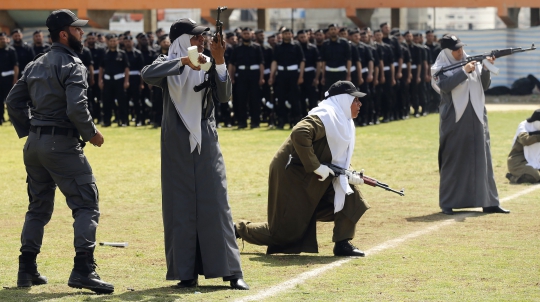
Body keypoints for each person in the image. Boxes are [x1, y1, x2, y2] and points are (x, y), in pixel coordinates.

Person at [5, 9, 113, 293]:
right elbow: (77, 107)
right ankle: (83, 270)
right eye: (77, 29)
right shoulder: (73, 64)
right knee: (86, 204)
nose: (82, 33)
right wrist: (92, 134)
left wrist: (33, 130)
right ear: (64, 33)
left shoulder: (34, 63)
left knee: (37, 209)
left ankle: (26, 269)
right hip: (61, 145)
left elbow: (12, 102)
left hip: (34, 146)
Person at [141, 18, 249, 290]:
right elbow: (147, 74)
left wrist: (220, 60)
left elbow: (224, 97)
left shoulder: (209, 63)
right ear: (180, 41)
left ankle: (232, 272)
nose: (202, 41)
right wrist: (182, 64)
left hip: (206, 140)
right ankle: (185, 272)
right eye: (196, 37)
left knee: (216, 203)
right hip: (175, 142)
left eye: (203, 37)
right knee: (179, 205)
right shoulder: (167, 63)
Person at [236, 81, 370, 257]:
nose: (359, 104)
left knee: (350, 195)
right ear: (343, 101)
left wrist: (349, 173)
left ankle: (342, 243)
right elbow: (300, 133)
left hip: (314, 175)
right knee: (285, 234)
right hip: (292, 174)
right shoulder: (325, 116)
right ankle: (236, 230)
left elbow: (336, 155)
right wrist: (316, 166)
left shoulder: (343, 121)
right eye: (355, 100)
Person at [432, 34, 509, 215]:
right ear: (446, 51)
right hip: (454, 118)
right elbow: (444, 86)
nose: (460, 51)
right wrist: (463, 71)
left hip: (477, 116)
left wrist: (487, 67)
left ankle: (489, 202)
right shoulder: (438, 68)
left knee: (483, 159)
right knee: (453, 158)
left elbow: (484, 85)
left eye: (461, 47)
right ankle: (448, 202)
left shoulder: (473, 62)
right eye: (456, 49)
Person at [228, 27, 264, 129]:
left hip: (254, 75)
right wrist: (231, 77)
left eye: (248, 33)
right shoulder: (237, 48)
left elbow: (261, 63)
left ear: (251, 35)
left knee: (255, 100)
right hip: (241, 75)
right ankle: (242, 122)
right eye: (244, 34)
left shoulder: (257, 47)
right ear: (241, 35)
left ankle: (255, 122)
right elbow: (231, 64)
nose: (246, 35)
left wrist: (261, 78)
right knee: (241, 100)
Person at [269, 28, 305, 129]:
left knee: (295, 99)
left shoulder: (296, 45)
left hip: (293, 74)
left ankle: (296, 121)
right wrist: (272, 76)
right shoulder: (278, 46)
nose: (287, 35)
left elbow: (302, 61)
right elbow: (275, 61)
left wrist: (301, 76)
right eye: (285, 33)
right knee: (280, 98)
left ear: (292, 35)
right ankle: (281, 121)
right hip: (281, 74)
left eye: (289, 33)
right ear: (282, 35)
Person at [98, 33, 130, 127]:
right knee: (107, 102)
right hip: (107, 81)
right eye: (111, 41)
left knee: (122, 102)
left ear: (118, 42)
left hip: (119, 80)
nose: (113, 43)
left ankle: (123, 121)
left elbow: (127, 68)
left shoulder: (122, 53)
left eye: (115, 41)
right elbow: (101, 68)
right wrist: (100, 80)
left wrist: (126, 81)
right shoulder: (105, 54)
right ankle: (107, 121)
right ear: (108, 42)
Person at [506, 109, 540, 184]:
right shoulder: (524, 126)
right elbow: (525, 140)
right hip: (518, 161)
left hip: (536, 159)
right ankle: (513, 178)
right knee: (534, 176)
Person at [0, 32, 19, 125]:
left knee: (10, 100)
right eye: (1, 39)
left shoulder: (11, 50)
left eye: (4, 39)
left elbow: (16, 65)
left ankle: (12, 119)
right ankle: (1, 118)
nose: (2, 41)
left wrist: (15, 78)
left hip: (9, 79)